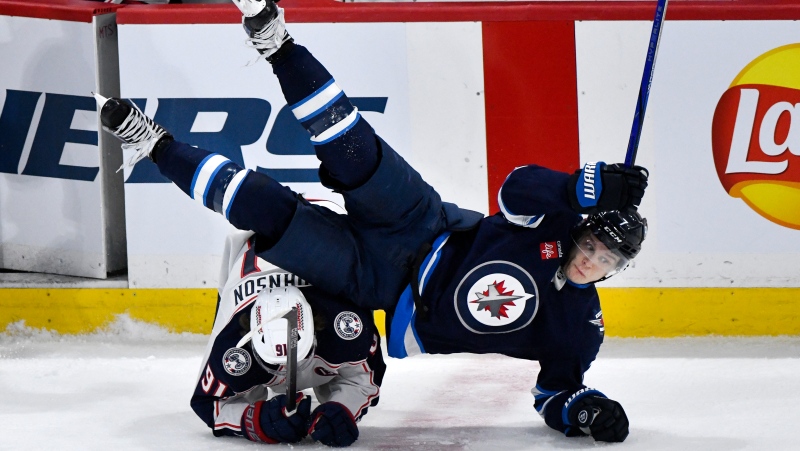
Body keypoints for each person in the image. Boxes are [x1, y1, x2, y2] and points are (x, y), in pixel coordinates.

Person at [96, 0, 648, 442]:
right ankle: (275, 40)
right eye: (594, 244)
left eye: (608, 260)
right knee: (349, 145)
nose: (592, 261)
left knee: (264, 210)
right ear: (582, 230)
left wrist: (587, 410)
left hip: (377, 282)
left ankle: (155, 145)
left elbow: (556, 393)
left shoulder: (579, 326)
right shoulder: (553, 222)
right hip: (422, 222)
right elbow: (516, 186)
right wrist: (584, 186)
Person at [189, 227, 385, 447]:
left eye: (299, 359)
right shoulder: (231, 345)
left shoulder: (346, 325)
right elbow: (207, 404)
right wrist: (258, 421)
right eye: (274, 365)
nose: (289, 374)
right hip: (254, 258)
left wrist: (342, 409)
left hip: (325, 228)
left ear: (318, 331)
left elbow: (365, 380)